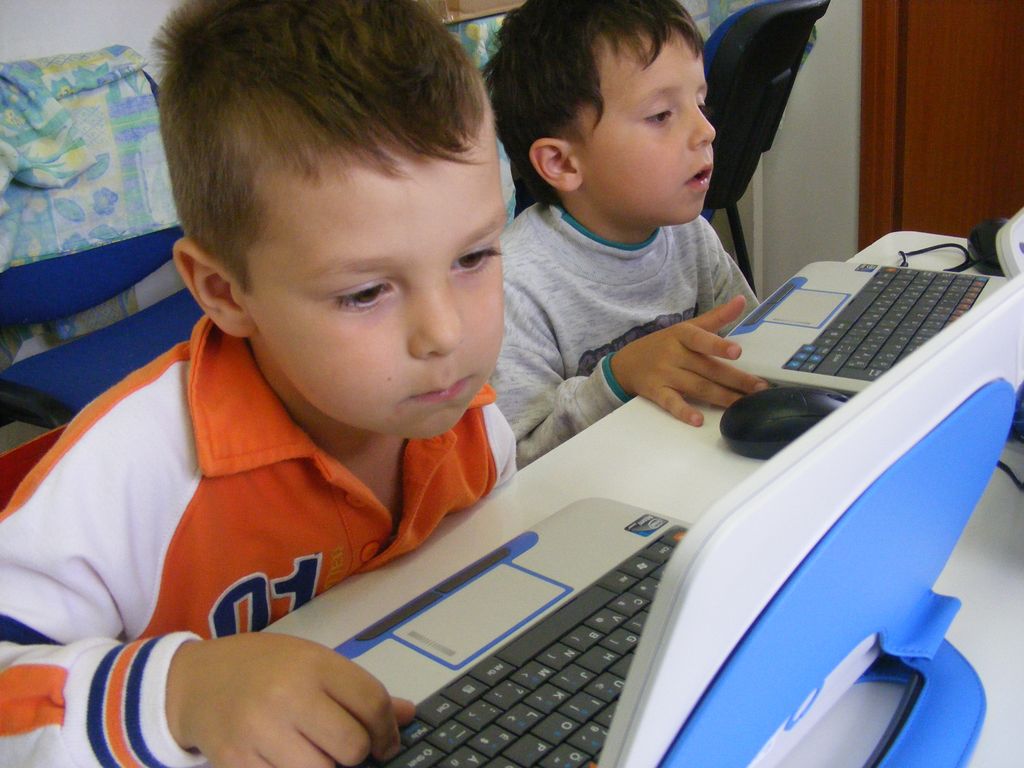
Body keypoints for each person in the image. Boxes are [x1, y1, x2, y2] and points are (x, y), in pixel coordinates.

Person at [0, 0, 516, 765]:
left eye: (473, 257)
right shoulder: (127, 474)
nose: (446, 334)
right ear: (224, 292)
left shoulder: (469, 421)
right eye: (365, 293)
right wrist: (180, 693)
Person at [485, 0, 768, 466]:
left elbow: (753, 351)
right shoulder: (516, 286)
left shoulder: (691, 238)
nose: (706, 130)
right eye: (661, 115)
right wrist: (616, 380)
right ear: (563, 163)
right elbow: (517, 462)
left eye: (701, 104)